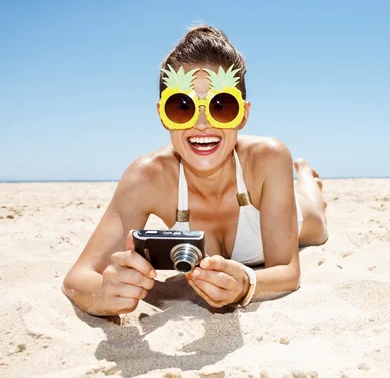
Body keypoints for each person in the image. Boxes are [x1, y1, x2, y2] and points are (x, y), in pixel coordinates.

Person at [62, 25, 328, 317]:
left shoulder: (269, 157)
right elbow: (78, 278)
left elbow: (289, 271)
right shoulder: (146, 178)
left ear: (244, 114)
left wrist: (246, 285)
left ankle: (307, 182)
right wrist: (104, 293)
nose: (201, 124)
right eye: (182, 106)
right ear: (163, 114)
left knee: (316, 226)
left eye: (221, 106)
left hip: (292, 214)